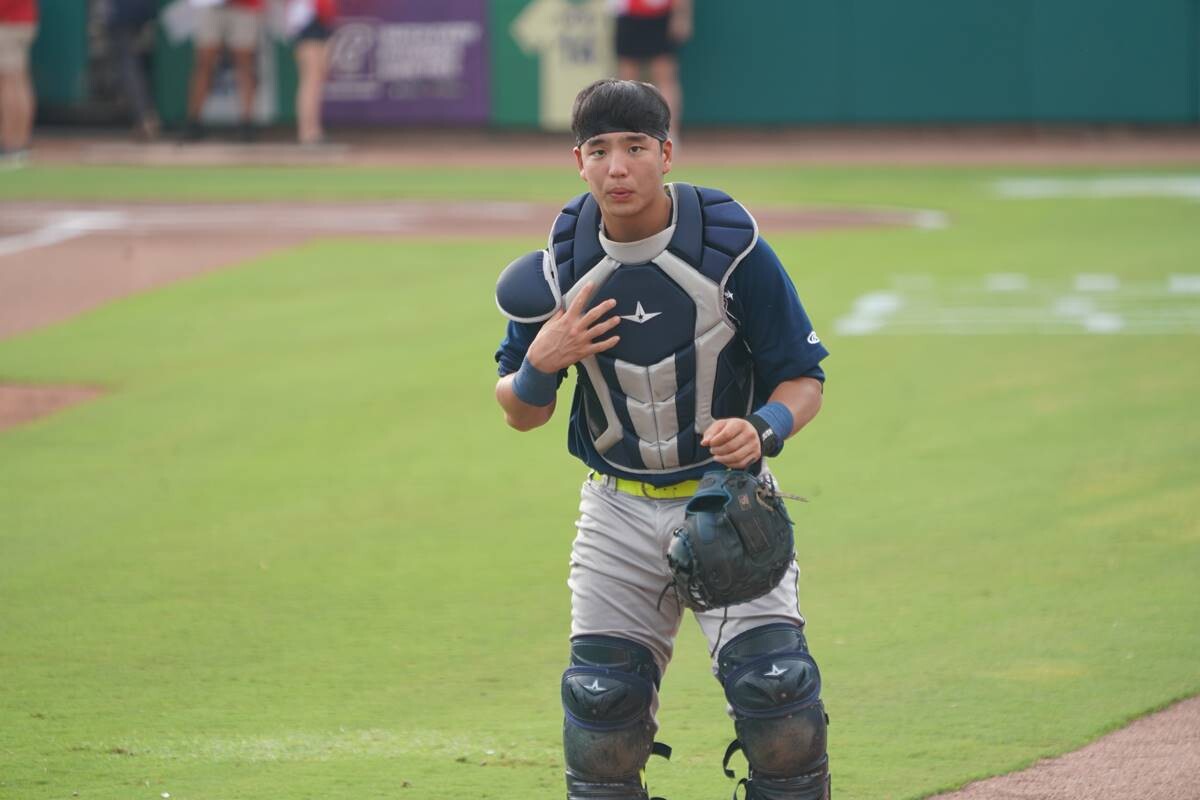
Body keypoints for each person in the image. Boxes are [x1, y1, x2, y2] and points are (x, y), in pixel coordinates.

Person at [492, 79, 831, 800]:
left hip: (727, 502)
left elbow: (803, 379)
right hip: (615, 512)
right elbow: (520, 412)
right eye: (600, 151)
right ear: (577, 161)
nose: (618, 168)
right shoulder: (556, 268)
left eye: (636, 149)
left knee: (781, 709)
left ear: (666, 154)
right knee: (602, 716)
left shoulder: (733, 251)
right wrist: (538, 364)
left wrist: (764, 429)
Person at [183, 0, 263, 141]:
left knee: (245, 62)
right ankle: (193, 121)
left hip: (245, 5)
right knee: (204, 61)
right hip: (210, 5)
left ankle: (247, 123)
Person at [613, 0, 689, 142]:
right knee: (627, 79)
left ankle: (669, 133)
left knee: (665, 76)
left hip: (660, 14)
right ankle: (628, 130)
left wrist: (681, 15)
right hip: (628, 14)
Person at [107, 0, 161, 141]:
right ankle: (145, 116)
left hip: (126, 13)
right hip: (143, 12)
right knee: (137, 63)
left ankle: (144, 117)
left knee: (129, 64)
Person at [285, 0, 336, 145]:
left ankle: (313, 130)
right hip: (306, 19)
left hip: (320, 17)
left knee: (317, 78)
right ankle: (307, 132)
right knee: (311, 79)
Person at [0, 0, 37, 163]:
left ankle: (10, 144)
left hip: (8, 22)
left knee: (8, 82)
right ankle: (18, 142)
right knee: (18, 80)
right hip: (22, 20)